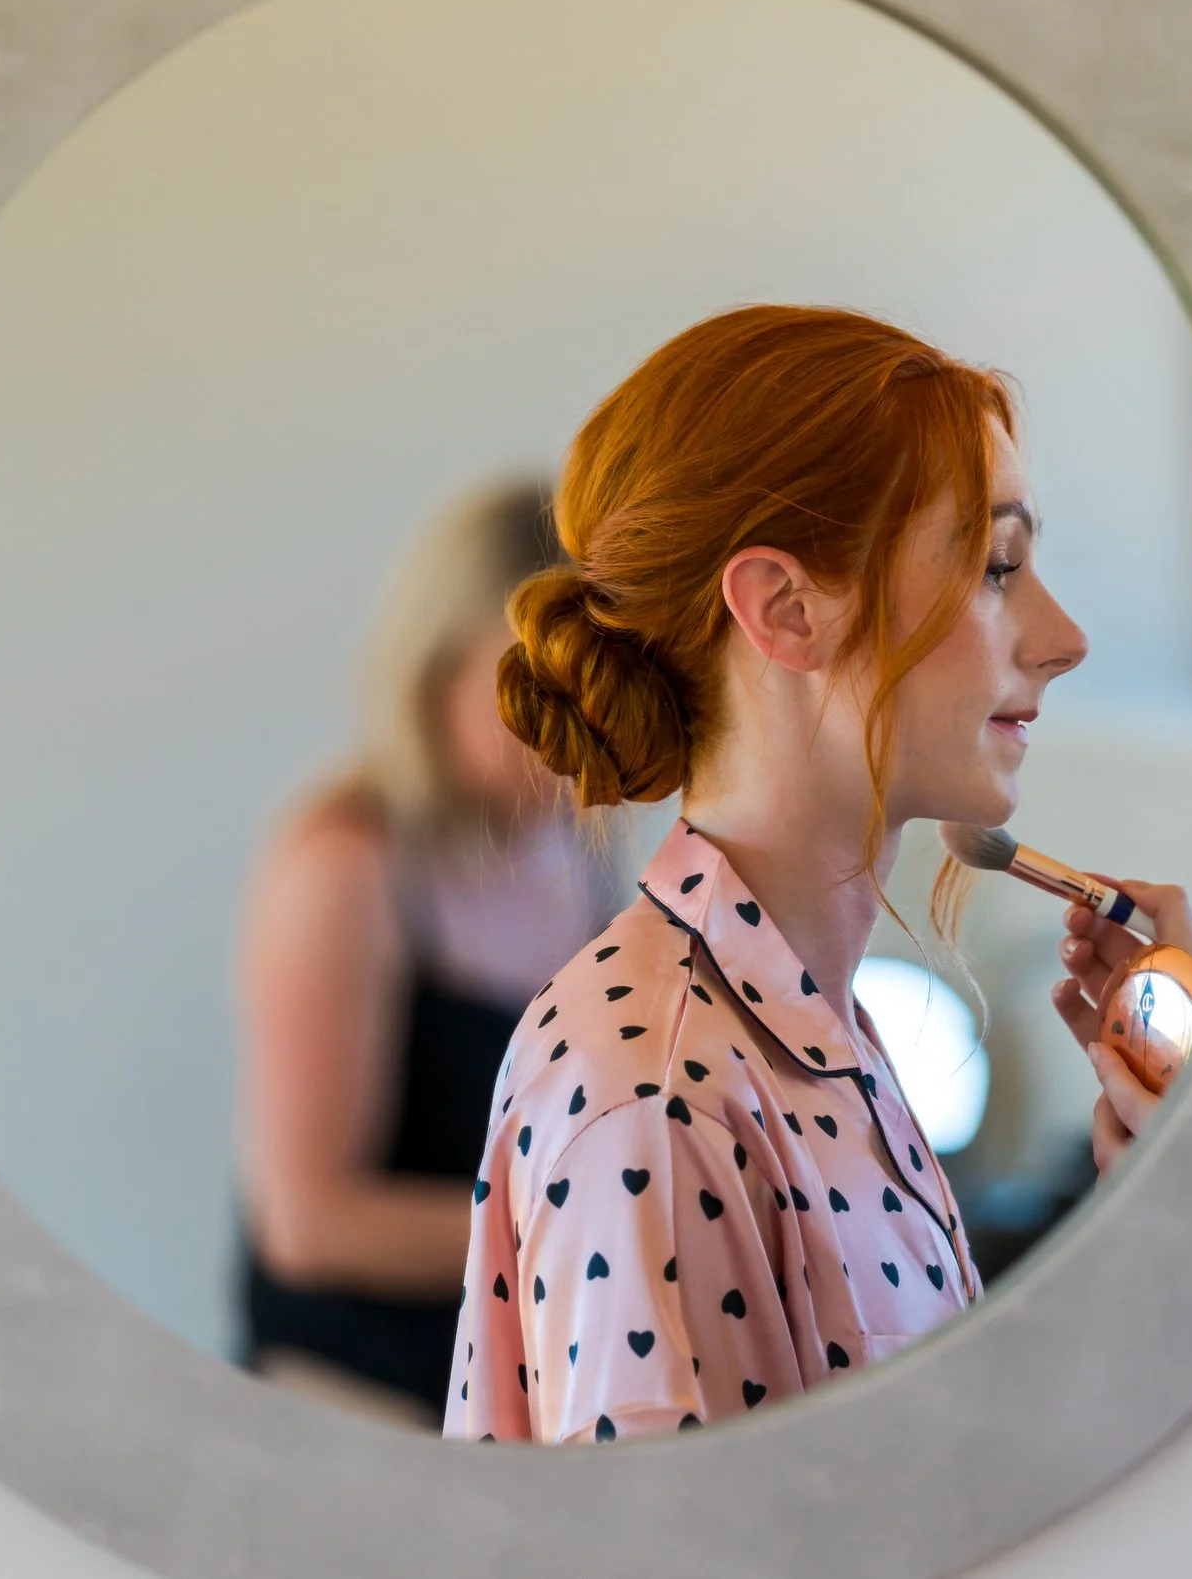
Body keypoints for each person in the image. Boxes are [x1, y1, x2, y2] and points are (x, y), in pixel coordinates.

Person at [443, 305, 1093, 1443]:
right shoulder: (655, 1090)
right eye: (996, 567)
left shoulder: (811, 1032)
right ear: (785, 609)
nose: (1061, 635)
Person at [236, 481, 610, 1427]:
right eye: (536, 680)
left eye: (604, 676)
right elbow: (307, 1223)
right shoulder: (346, 863)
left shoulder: (578, 858)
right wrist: (594, 1228)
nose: (581, 718)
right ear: (436, 672)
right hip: (351, 1398)